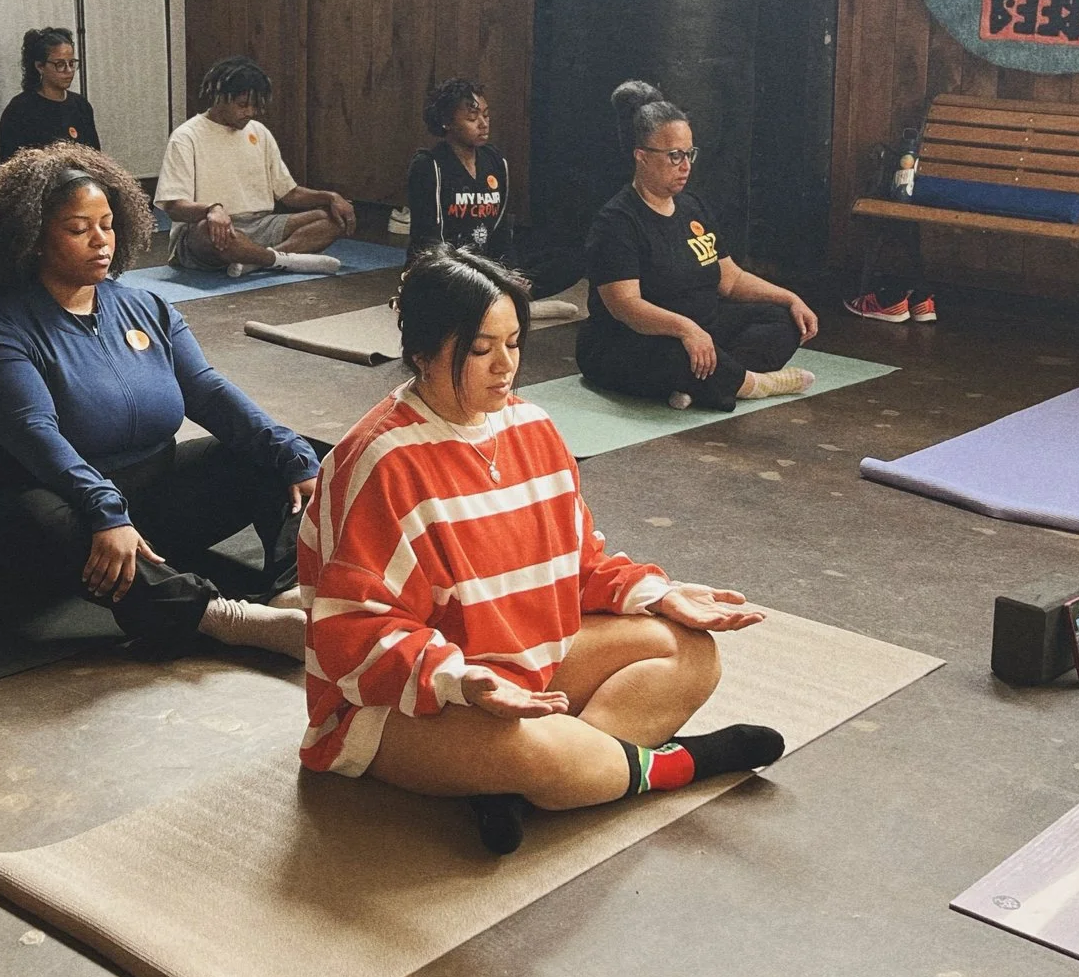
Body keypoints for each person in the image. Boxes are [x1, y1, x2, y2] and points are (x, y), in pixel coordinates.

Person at [299, 247, 786, 855]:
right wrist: (461, 679)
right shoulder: (378, 459)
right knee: (528, 747)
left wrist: (661, 596)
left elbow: (579, 565)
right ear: (422, 353)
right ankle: (673, 765)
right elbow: (351, 632)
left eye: (514, 343)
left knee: (691, 652)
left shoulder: (532, 425)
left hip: (524, 666)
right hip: (400, 702)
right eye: (481, 350)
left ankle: (522, 781)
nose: (505, 366)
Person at [0, 143, 318, 659]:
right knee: (37, 518)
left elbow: (207, 391)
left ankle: (291, 591)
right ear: (31, 241)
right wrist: (105, 512)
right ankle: (219, 617)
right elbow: (38, 438)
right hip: (39, 509)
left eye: (108, 224)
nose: (100, 242)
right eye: (78, 230)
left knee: (284, 457)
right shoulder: (1, 333)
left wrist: (292, 452)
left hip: (142, 502)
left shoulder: (146, 306)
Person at [575, 80, 819, 411]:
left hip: (702, 329)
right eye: (674, 156)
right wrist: (685, 328)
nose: (685, 165)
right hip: (631, 341)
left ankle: (703, 384)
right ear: (642, 157)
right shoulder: (616, 221)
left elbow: (730, 279)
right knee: (676, 353)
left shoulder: (694, 207)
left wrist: (791, 298)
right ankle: (752, 384)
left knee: (783, 320)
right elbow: (625, 307)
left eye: (689, 154)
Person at [155, 56, 351, 277]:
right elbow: (174, 207)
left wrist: (331, 197)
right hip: (207, 230)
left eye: (255, 106)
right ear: (220, 97)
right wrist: (212, 209)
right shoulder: (186, 136)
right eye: (242, 105)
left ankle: (257, 261)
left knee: (335, 221)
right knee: (209, 232)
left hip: (260, 225)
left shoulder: (259, 132)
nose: (249, 112)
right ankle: (277, 259)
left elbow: (290, 194)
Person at [405, 77, 582, 315]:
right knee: (447, 282)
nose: (483, 124)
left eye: (486, 116)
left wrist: (508, 271)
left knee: (571, 259)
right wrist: (486, 274)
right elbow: (429, 241)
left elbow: (499, 231)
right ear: (447, 122)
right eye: (471, 118)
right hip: (449, 270)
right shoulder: (429, 165)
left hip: (488, 265)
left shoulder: (495, 161)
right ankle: (505, 306)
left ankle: (503, 301)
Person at [0, 26, 100, 160]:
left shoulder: (81, 106)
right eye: (60, 64)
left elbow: (96, 158)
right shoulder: (20, 110)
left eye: (72, 63)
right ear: (40, 66)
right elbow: (12, 167)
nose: (68, 70)